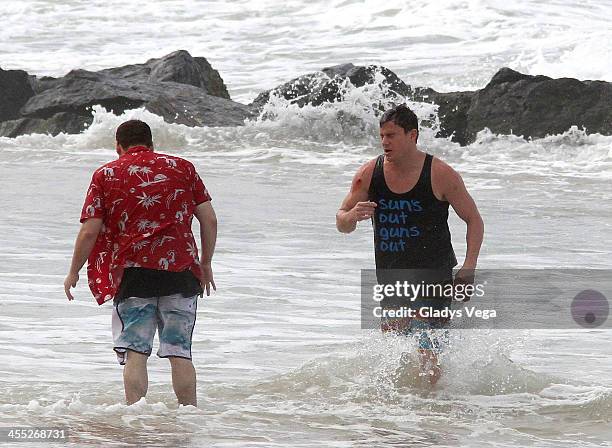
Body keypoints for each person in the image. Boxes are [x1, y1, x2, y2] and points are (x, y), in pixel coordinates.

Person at [63, 120, 217, 406]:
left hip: (133, 273)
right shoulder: (183, 168)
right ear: (152, 144)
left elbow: (89, 230)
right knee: (179, 351)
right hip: (181, 271)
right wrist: (205, 263)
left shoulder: (106, 174)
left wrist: (74, 270)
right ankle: (190, 416)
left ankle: (135, 417)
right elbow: (209, 219)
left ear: (118, 147)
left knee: (136, 351)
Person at [336, 104, 484, 385]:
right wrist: (352, 216)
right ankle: (401, 419)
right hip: (392, 275)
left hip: (434, 272)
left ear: (412, 135)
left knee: (428, 352)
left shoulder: (440, 173)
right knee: (394, 353)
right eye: (382, 135)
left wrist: (468, 267)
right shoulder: (369, 173)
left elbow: (474, 220)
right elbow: (341, 221)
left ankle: (432, 411)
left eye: (391, 135)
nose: (384, 142)